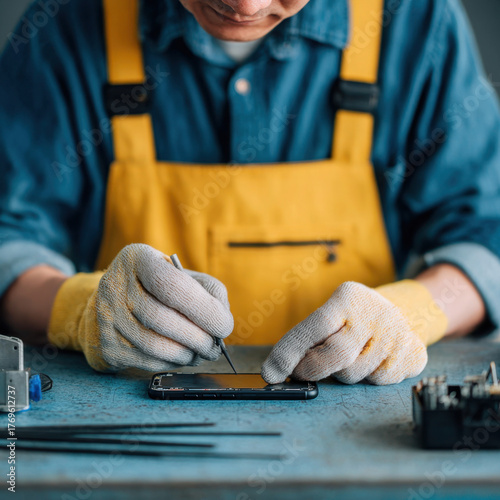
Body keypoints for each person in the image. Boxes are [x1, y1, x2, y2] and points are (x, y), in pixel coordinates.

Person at [0, 0, 499, 385]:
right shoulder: (69, 22)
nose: (244, 5)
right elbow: (10, 242)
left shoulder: (413, 21)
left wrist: (412, 313)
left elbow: (485, 238)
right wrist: (79, 310)